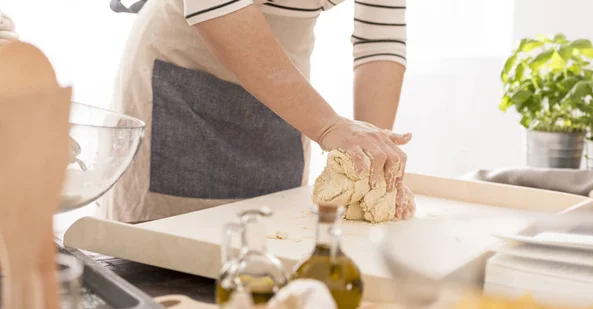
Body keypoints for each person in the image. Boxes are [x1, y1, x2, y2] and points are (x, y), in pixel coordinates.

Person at [106, 0, 413, 223]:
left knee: (271, 254)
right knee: (166, 262)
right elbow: (214, 6)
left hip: (283, 94)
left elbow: (379, 40)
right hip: (185, 74)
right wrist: (329, 126)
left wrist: (373, 163)